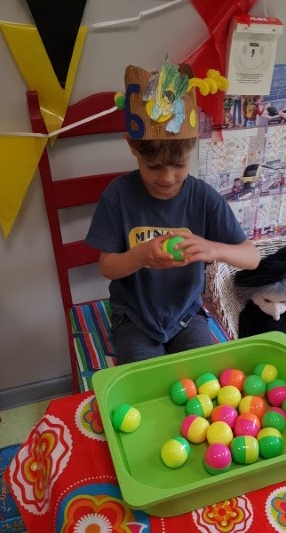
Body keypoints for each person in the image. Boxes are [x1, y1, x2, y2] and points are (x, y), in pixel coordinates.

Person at [86, 55, 260, 365]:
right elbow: (107, 267)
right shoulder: (119, 196)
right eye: (153, 166)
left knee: (203, 373)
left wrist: (212, 249)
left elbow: (252, 257)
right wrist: (140, 256)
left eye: (179, 165)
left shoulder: (203, 198)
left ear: (193, 144)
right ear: (132, 146)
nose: (167, 178)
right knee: (146, 377)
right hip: (134, 317)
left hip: (187, 314)